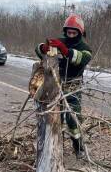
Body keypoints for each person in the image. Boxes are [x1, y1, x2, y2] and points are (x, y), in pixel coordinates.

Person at [35, 14, 92, 158]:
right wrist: (44, 47)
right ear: (65, 31)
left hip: (73, 88)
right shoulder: (59, 42)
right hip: (56, 86)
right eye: (69, 32)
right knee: (55, 118)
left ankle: (79, 148)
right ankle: (56, 145)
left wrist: (65, 51)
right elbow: (38, 51)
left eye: (74, 33)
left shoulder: (85, 48)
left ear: (80, 33)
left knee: (73, 119)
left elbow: (81, 59)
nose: (71, 35)